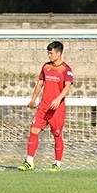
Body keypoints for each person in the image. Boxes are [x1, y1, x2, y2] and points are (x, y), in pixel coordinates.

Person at [18, 41, 73, 171]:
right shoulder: (46, 67)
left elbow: (68, 86)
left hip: (57, 109)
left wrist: (58, 99)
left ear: (58, 53)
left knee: (57, 134)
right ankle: (29, 161)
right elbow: (40, 84)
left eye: (51, 53)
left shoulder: (66, 69)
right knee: (34, 130)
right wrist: (33, 99)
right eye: (48, 53)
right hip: (44, 106)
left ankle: (57, 163)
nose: (49, 55)